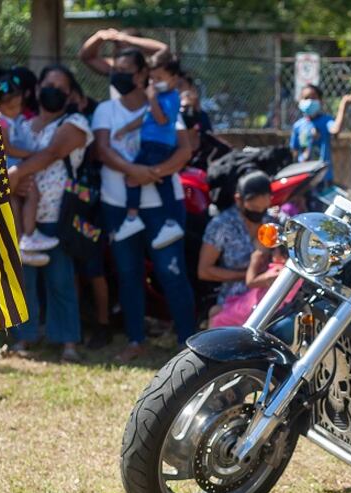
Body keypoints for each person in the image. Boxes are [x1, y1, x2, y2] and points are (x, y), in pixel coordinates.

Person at [92, 47, 196, 363]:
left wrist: (153, 173)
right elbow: (103, 150)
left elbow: (184, 150)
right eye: (115, 68)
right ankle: (135, 339)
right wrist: (135, 172)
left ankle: (189, 344)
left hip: (164, 206)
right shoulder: (105, 110)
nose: (118, 74)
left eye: (126, 68)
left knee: (171, 272)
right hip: (119, 204)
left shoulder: (165, 106)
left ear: (142, 75)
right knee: (128, 272)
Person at [2, 64, 92, 362]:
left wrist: (15, 174)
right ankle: (23, 340)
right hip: (24, 216)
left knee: (60, 280)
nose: (54, 90)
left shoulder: (75, 123)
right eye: (48, 84)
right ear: (37, 89)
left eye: (61, 86)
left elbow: (53, 153)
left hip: (58, 215)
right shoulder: (24, 125)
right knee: (24, 281)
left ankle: (68, 342)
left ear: (70, 94)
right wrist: (15, 184)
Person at [112, 54, 183, 248]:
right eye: (152, 79)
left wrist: (151, 98)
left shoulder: (170, 98)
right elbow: (145, 118)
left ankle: (132, 217)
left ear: (174, 79)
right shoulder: (160, 97)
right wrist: (126, 129)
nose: (154, 83)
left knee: (132, 178)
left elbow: (161, 119)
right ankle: (170, 222)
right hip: (154, 145)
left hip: (156, 145)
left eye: (159, 79)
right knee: (162, 182)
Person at [199, 171, 285, 324]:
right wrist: (249, 276)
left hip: (268, 293)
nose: (259, 213)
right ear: (239, 200)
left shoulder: (271, 222)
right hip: (234, 297)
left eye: (263, 208)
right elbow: (204, 271)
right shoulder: (222, 226)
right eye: (254, 208)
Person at [0, 71, 56, 265]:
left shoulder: (16, 120)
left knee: (17, 201)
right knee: (32, 194)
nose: (15, 110)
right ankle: (27, 236)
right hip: (12, 166)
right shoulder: (1, 121)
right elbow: (7, 148)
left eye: (18, 105)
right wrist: (31, 155)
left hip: (17, 165)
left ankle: (22, 242)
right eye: (10, 107)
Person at [290, 84, 351, 185]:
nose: (310, 101)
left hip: (323, 177)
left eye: (313, 97)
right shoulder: (298, 126)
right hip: (303, 177)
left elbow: (335, 129)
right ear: (300, 101)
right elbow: (294, 152)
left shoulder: (325, 121)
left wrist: (343, 106)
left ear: (320, 100)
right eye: (306, 98)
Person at [79, 28, 171, 82]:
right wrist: (98, 36)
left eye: (126, 47)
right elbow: (86, 57)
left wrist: (126, 38)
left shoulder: (149, 67)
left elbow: (163, 49)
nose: (121, 52)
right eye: (117, 47)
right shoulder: (115, 69)